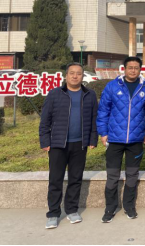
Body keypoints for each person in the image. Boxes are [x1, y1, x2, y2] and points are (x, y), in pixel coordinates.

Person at [39, 63, 98, 230]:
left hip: (80, 144)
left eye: (78, 73)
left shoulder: (90, 95)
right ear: (66, 75)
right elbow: (45, 120)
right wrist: (45, 141)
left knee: (75, 178)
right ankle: (53, 213)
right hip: (58, 144)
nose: (75, 76)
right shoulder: (55, 94)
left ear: (82, 76)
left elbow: (94, 119)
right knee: (55, 179)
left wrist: (92, 139)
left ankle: (72, 210)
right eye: (72, 73)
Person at [97, 56, 145, 223]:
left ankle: (129, 206)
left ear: (140, 69)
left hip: (136, 140)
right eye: (130, 67)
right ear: (124, 69)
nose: (133, 70)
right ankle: (110, 208)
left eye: (136, 68)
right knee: (112, 176)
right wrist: (103, 132)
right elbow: (103, 110)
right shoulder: (112, 86)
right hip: (114, 139)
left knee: (132, 175)